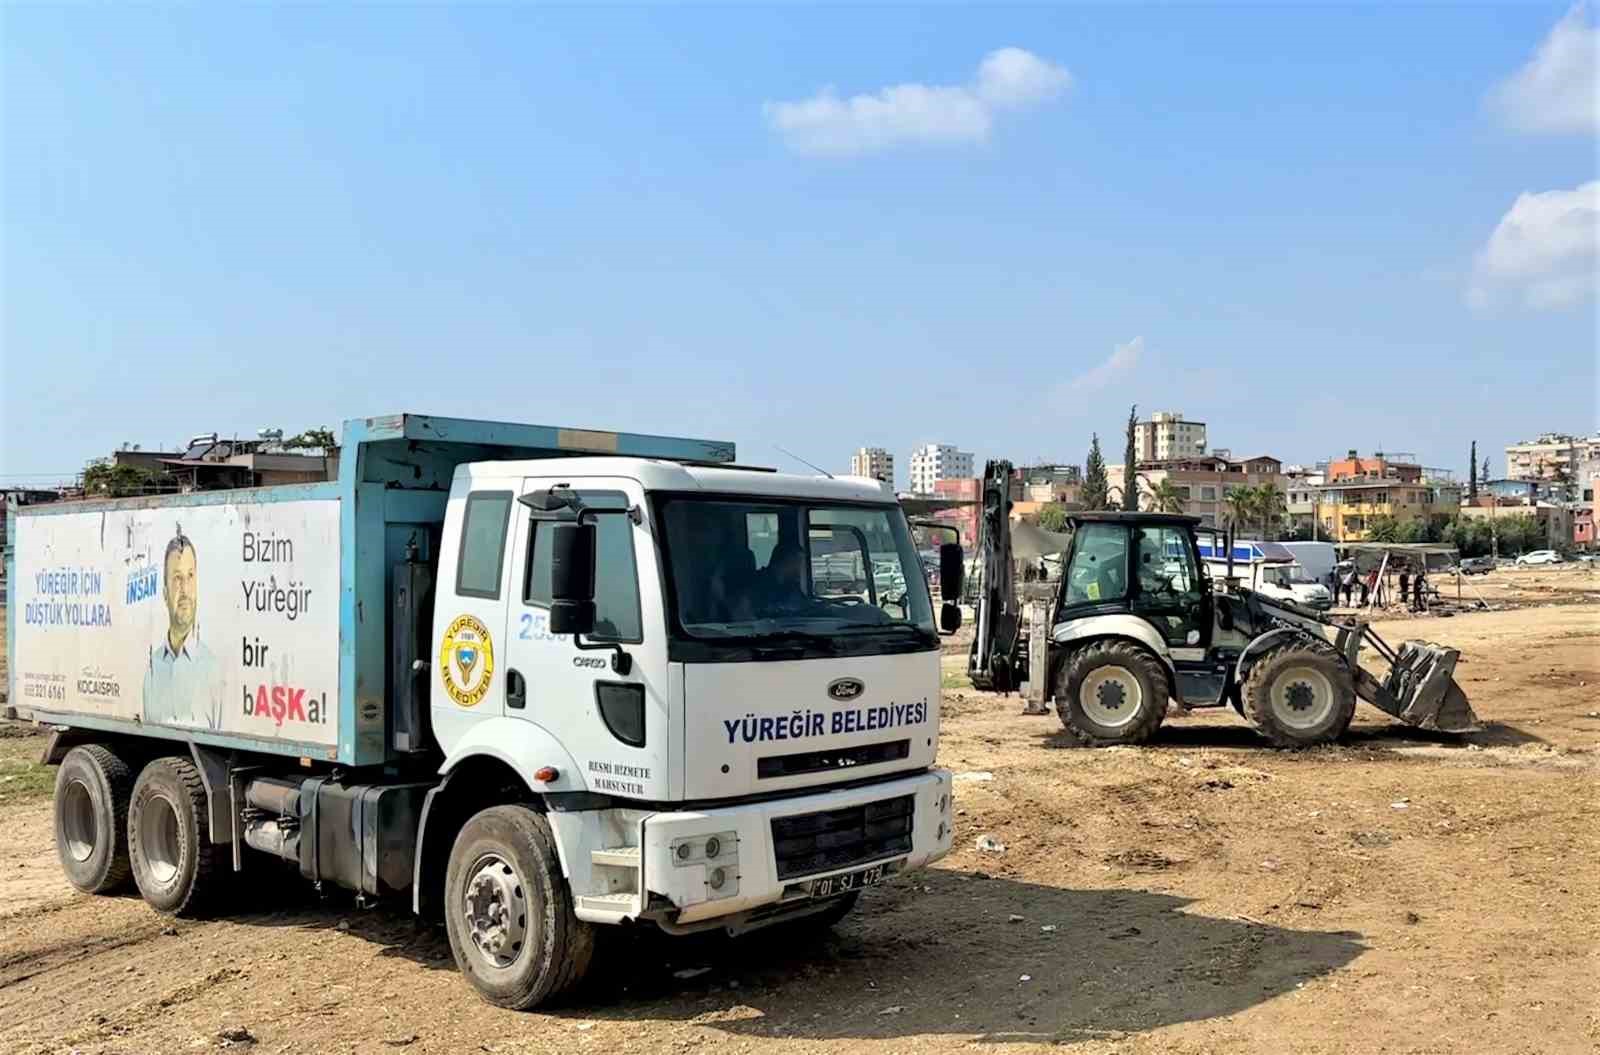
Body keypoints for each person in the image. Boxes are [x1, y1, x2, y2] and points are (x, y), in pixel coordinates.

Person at [142, 527, 223, 730]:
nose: (185, 589)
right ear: (165, 593)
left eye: (190, 576)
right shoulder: (152, 670)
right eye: (177, 578)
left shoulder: (214, 670)